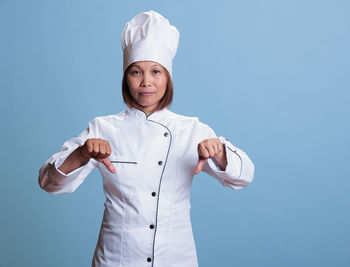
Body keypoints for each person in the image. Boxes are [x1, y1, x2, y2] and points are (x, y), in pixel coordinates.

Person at [38, 10, 255, 267]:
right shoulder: (103, 128)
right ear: (125, 78)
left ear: (168, 78)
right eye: (136, 72)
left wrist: (219, 152)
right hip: (116, 259)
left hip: (176, 259)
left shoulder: (192, 130)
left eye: (155, 72)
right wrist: (82, 154)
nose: (146, 82)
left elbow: (244, 177)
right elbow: (49, 182)